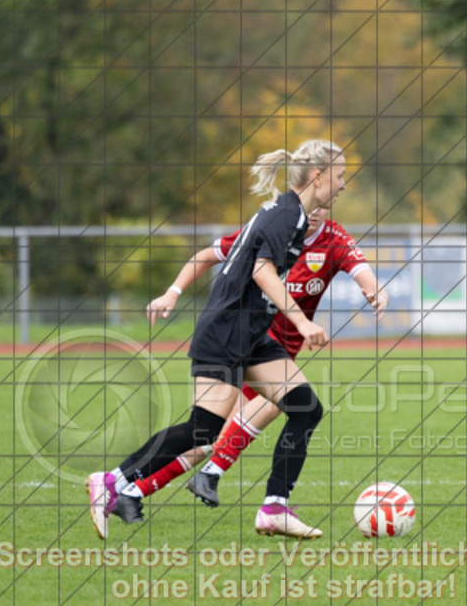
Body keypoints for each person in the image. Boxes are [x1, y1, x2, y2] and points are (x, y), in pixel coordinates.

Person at [86, 139, 346, 540]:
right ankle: (113, 480)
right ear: (318, 177)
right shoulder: (286, 216)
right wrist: (301, 321)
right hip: (225, 333)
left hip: (251, 334)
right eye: (340, 175)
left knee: (306, 407)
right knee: (201, 431)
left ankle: (274, 508)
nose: (343, 184)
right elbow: (262, 272)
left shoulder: (288, 213)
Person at [115, 202, 388, 535]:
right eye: (311, 205)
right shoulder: (272, 231)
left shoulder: (333, 239)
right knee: (264, 412)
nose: (316, 212)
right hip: (248, 341)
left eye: (325, 205)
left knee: (207, 435)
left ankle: (131, 489)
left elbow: (360, 268)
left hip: (278, 350)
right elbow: (206, 255)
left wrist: (375, 290)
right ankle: (225, 484)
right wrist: (172, 292)